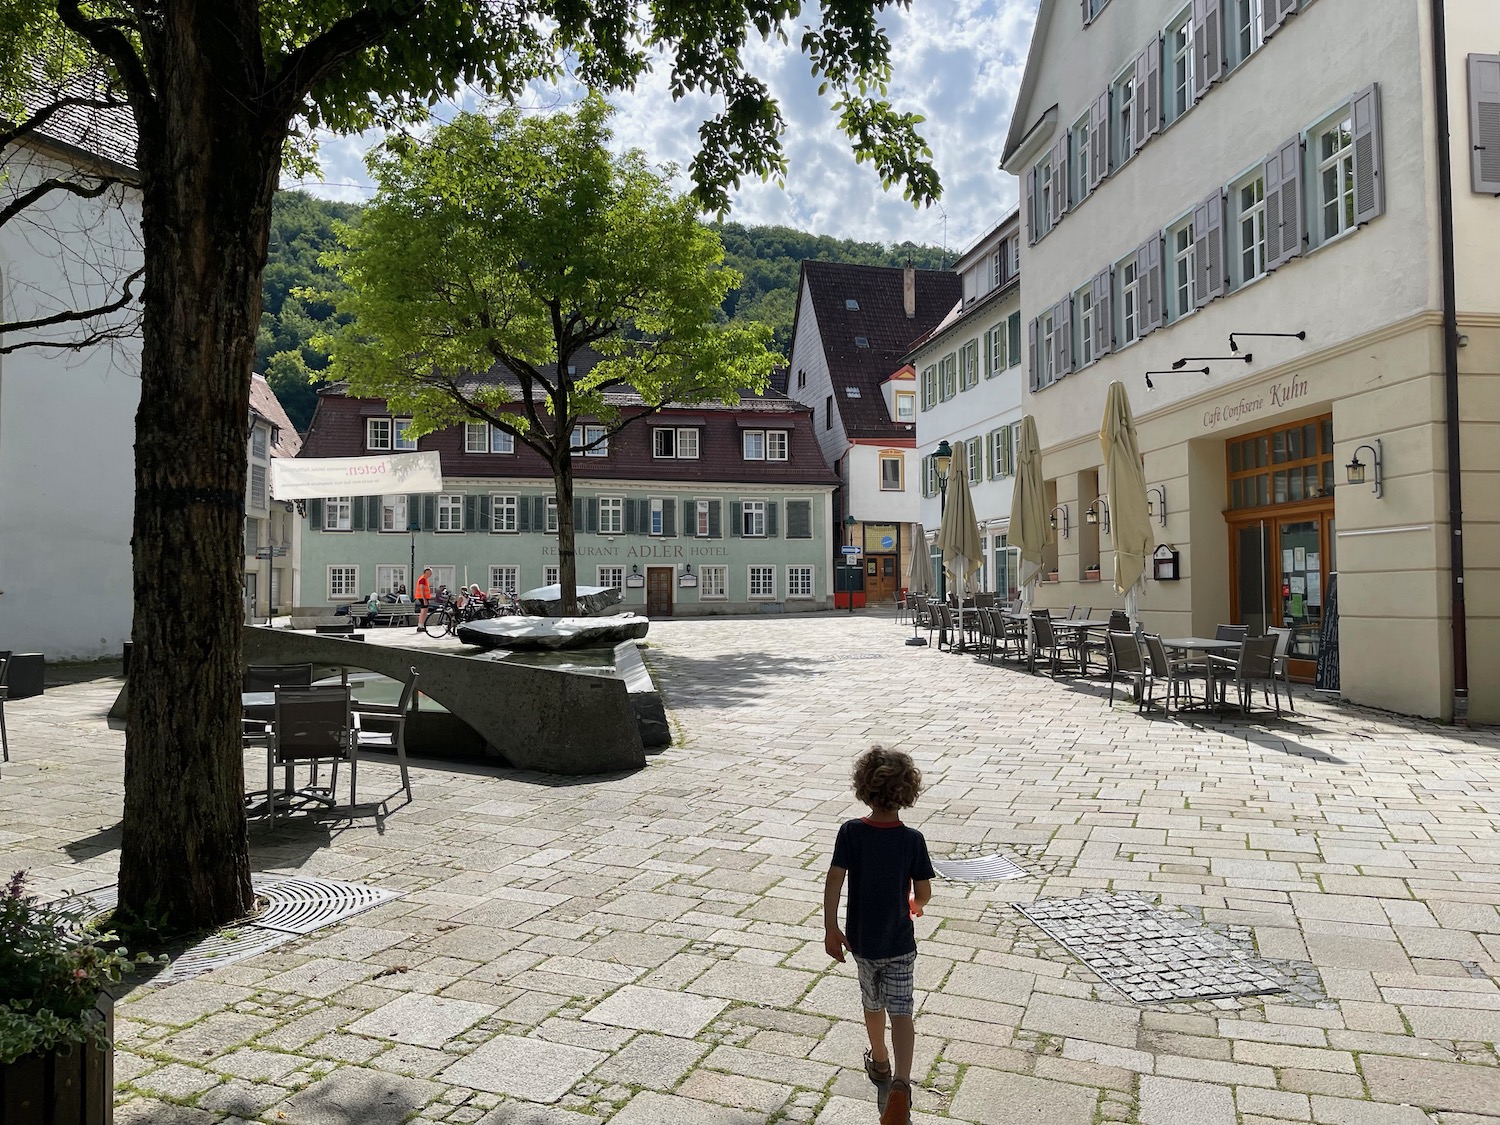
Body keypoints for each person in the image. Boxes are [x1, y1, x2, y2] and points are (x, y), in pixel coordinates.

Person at [823, 746, 933, 1125]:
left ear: (863, 789)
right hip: (900, 942)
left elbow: (834, 879)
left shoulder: (851, 832)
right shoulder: (912, 839)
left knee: (873, 1005)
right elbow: (923, 893)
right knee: (902, 1011)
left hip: (863, 943)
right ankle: (901, 1082)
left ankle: (880, 1062)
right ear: (908, 792)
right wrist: (915, 905)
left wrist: (831, 928)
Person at [414, 567, 433, 631]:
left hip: (423, 597)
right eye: (430, 573)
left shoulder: (424, 579)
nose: (431, 574)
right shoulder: (423, 579)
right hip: (422, 597)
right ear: (426, 573)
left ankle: (421, 625)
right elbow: (422, 589)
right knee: (423, 611)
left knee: (424, 611)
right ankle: (420, 626)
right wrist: (424, 599)